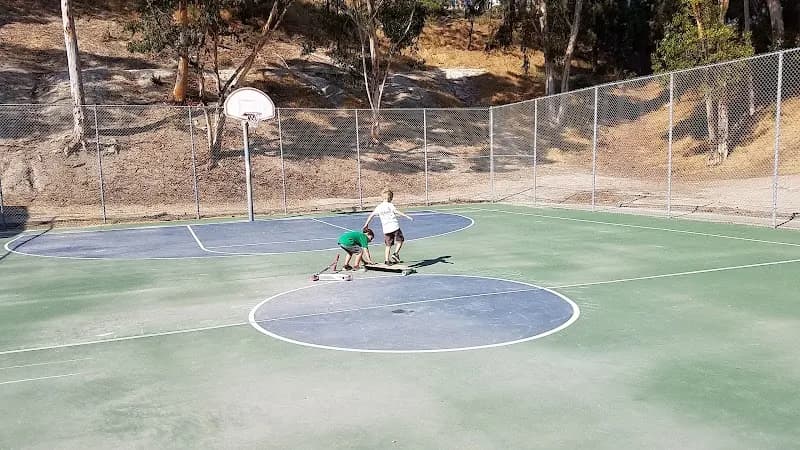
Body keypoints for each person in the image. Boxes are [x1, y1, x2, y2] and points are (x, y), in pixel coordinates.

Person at [363, 188, 413, 265]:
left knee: (388, 245)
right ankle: (395, 254)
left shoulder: (379, 207)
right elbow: (396, 211)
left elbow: (371, 215)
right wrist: (407, 216)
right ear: (390, 198)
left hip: (386, 229)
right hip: (394, 227)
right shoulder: (390, 205)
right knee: (400, 241)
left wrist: (366, 224)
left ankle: (386, 260)